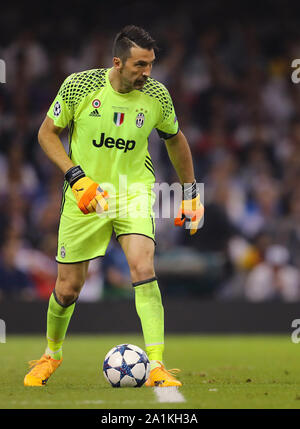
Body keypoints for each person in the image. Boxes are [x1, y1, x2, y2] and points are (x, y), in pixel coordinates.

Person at [24, 25, 203, 388]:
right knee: (68, 288)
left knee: (143, 266)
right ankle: (50, 355)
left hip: (132, 192)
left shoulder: (157, 96)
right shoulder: (79, 86)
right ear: (118, 62)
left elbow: (175, 139)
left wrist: (190, 192)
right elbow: (46, 134)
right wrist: (76, 177)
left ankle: (156, 365)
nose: (147, 72)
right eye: (140, 65)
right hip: (85, 195)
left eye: (151, 64)